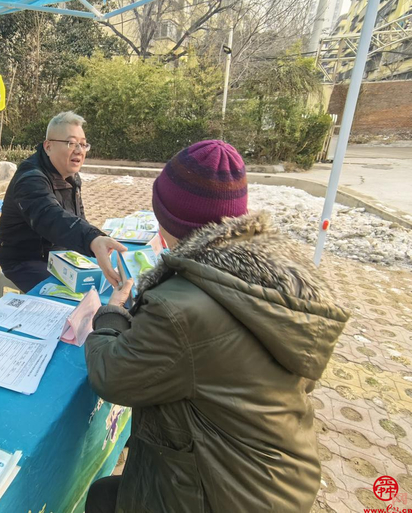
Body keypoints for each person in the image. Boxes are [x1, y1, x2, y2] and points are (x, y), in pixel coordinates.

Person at [84, 140, 350, 513]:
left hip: (224, 491)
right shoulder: (273, 275)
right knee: (107, 495)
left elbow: (111, 375)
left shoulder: (179, 305)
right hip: (278, 477)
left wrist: (111, 315)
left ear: (167, 219)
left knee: (103, 499)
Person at [0, 111, 125, 292]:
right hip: (26, 259)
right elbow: (51, 217)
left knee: (104, 285)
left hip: (60, 254)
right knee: (72, 299)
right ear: (48, 146)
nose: (79, 150)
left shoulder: (71, 175)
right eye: (71, 143)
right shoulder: (30, 179)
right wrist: (92, 239)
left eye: (83, 144)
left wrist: (95, 237)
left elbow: (77, 219)